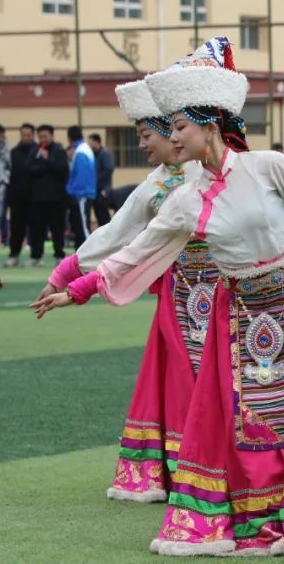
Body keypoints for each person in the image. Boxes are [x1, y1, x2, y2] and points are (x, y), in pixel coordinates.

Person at [34, 37, 284, 557]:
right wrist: (79, 288)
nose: (171, 139)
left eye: (178, 127)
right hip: (238, 310)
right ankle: (262, 514)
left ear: (209, 125)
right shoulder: (183, 196)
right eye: (170, 128)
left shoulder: (269, 166)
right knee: (238, 413)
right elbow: (134, 249)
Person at [43, 78, 212, 502]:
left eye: (146, 134)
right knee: (177, 380)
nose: (144, 144)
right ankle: (183, 467)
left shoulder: (209, 171)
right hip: (178, 296)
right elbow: (119, 236)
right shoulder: (155, 186)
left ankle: (219, 462)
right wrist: (67, 271)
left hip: (224, 290)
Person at [28, 124, 69, 265]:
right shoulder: (35, 150)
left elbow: (62, 169)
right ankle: (36, 256)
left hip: (56, 198)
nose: (43, 139)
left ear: (52, 136)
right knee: (37, 229)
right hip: (38, 198)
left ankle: (59, 255)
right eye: (40, 137)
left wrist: (47, 161)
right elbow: (30, 168)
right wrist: (44, 165)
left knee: (57, 228)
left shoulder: (58, 151)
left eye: (45, 136)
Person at [6, 123, 38, 267]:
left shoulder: (38, 151)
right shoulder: (14, 152)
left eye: (28, 135)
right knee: (16, 228)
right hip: (17, 198)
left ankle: (36, 256)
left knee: (36, 228)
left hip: (35, 198)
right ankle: (14, 255)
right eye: (23, 135)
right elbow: (10, 176)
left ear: (33, 135)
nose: (26, 138)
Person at [66, 126, 97, 249]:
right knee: (80, 226)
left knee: (84, 227)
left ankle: (91, 255)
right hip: (84, 193)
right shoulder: (84, 149)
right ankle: (81, 256)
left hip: (82, 195)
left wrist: (73, 192)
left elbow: (81, 176)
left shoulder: (80, 151)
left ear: (69, 137)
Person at [89, 133, 115, 227]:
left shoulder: (104, 153)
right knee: (98, 213)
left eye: (91, 142)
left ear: (96, 142)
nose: (89, 145)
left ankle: (108, 234)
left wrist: (96, 179)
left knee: (103, 214)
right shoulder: (94, 154)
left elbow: (109, 168)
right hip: (96, 189)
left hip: (103, 189)